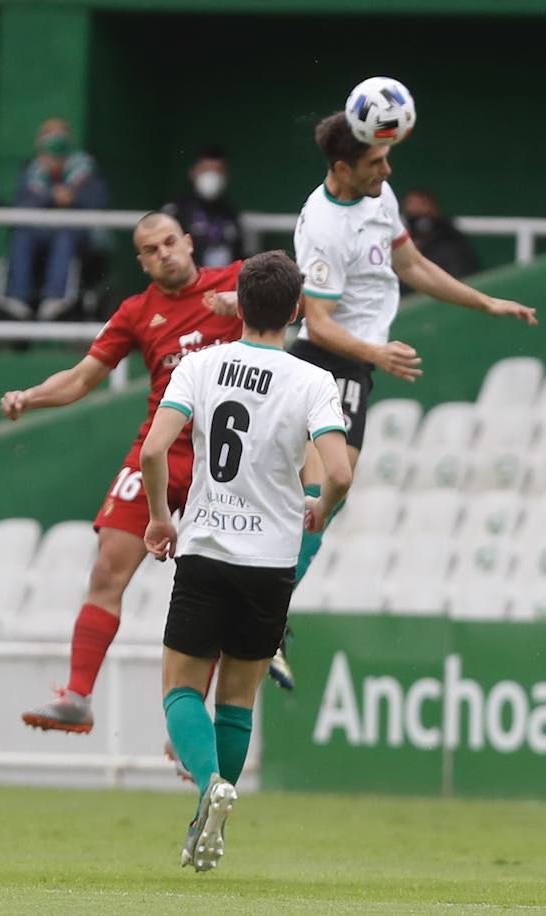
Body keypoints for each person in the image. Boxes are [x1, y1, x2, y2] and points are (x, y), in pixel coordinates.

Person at [208, 112, 537, 684]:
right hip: (329, 361)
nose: (388, 170)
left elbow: (411, 264)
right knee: (320, 490)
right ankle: (260, 615)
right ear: (342, 167)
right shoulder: (322, 230)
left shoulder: (378, 197)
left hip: (355, 367)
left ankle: (260, 613)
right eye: (375, 161)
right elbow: (317, 323)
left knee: (320, 498)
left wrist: (485, 303)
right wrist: (376, 352)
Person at [139, 250, 352, 872]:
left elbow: (155, 451)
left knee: (181, 689)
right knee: (237, 701)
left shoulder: (201, 365)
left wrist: (159, 516)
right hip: (272, 560)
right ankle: (210, 821)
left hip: (206, 548)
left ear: (239, 302)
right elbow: (338, 471)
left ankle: (209, 787)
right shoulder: (311, 380)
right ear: (293, 310)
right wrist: (318, 503)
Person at [4, 211, 242, 735]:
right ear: (141, 260)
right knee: (108, 568)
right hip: (158, 450)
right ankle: (78, 698)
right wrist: (31, 396)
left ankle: (194, 729)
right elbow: (81, 378)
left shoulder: (238, 280)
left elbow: (299, 305)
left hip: (225, 460)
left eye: (169, 243)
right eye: (151, 250)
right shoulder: (137, 312)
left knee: (218, 594)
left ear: (188, 242)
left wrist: (241, 304)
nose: (164, 254)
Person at [0, 118, 109, 322]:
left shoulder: (86, 168)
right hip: (38, 233)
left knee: (64, 235)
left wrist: (74, 197)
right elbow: (20, 206)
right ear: (39, 142)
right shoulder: (30, 170)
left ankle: (55, 299)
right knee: (22, 235)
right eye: (48, 136)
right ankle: (17, 299)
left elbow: (99, 201)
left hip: (77, 236)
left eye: (60, 135)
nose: (55, 141)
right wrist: (49, 196)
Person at [163, 146, 246, 269]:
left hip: (225, 283)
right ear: (193, 172)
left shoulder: (230, 213)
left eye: (218, 170)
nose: (212, 176)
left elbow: (240, 253)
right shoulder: (177, 210)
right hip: (189, 283)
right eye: (206, 169)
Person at [400, 188, 480, 288]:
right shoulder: (397, 246)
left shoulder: (451, 244)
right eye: (410, 205)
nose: (414, 210)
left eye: (422, 205)